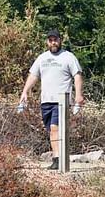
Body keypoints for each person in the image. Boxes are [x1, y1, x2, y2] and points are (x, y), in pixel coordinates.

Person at [19, 29, 84, 170]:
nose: (53, 42)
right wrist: (25, 92)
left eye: (55, 40)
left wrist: (79, 96)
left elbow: (77, 76)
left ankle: (60, 159)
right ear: (47, 42)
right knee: (51, 130)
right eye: (50, 40)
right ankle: (56, 159)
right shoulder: (42, 58)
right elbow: (33, 75)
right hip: (46, 100)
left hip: (61, 100)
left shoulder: (68, 57)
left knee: (55, 128)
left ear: (60, 40)